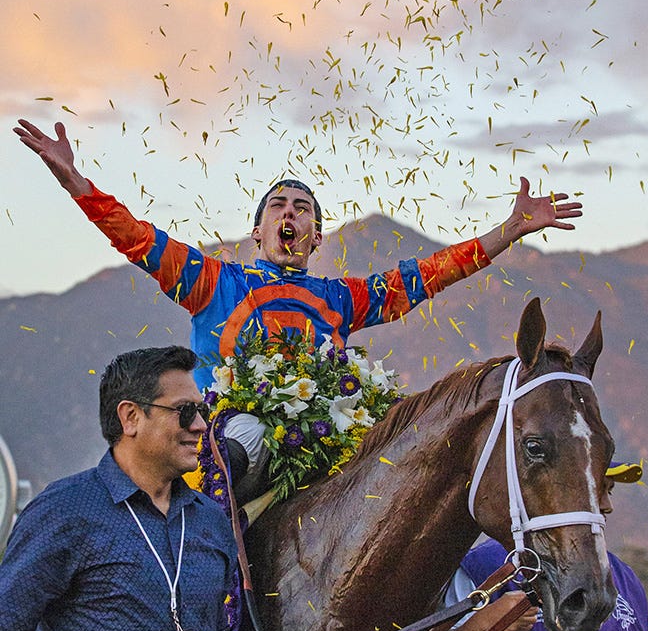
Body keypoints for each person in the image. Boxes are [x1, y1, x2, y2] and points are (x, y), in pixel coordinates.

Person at [14, 118, 583, 497]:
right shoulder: (213, 282)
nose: (291, 213)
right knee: (250, 432)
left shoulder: (340, 300)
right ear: (258, 232)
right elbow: (138, 238)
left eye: (303, 208)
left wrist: (508, 230)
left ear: (316, 236)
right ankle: (202, 547)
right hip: (225, 441)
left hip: (327, 443)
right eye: (279, 207)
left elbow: (424, 278)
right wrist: (77, 183)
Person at [0, 345, 341, 631]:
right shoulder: (63, 512)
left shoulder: (210, 519)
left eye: (202, 412)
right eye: (185, 411)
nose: (201, 426)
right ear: (131, 417)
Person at [443, 462, 648, 631]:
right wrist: (487, 622)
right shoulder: (482, 565)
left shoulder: (627, 582)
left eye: (609, 491)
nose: (607, 505)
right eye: (595, 490)